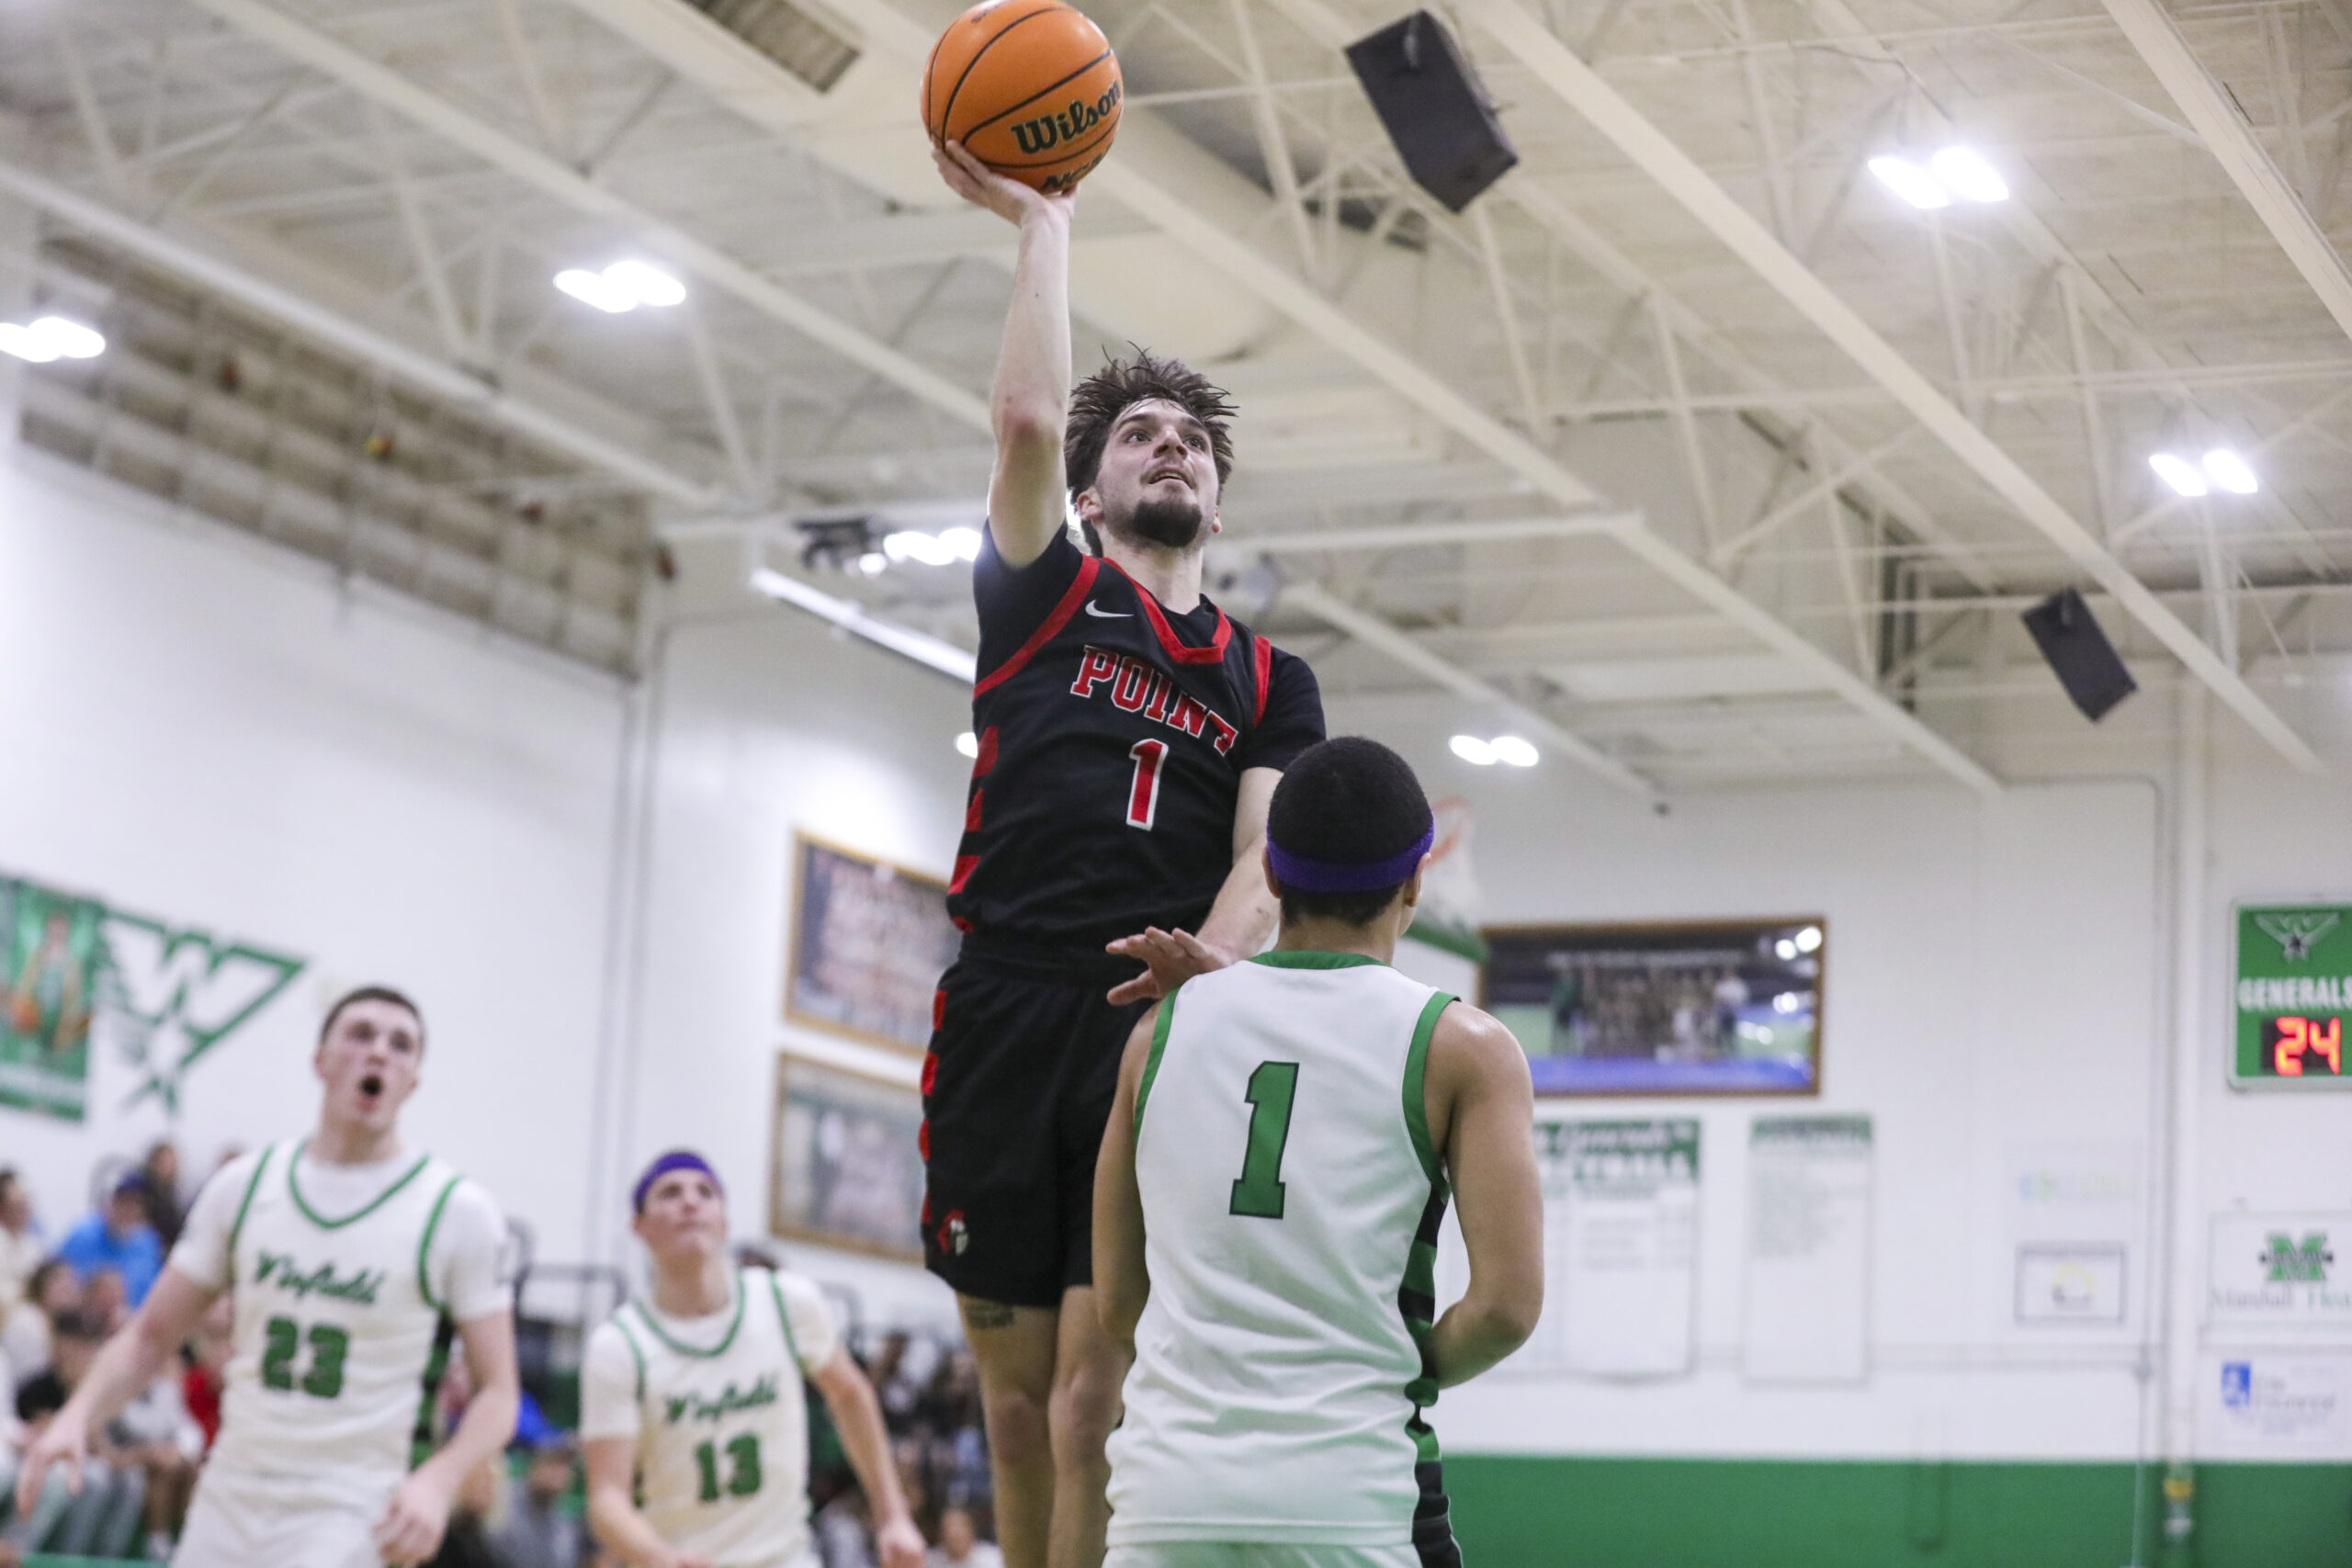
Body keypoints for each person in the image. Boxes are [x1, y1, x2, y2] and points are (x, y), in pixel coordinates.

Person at [924, 139, 1327, 1568]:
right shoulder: (1043, 593)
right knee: (1014, 1409)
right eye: (1141, 433)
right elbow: (1026, 417)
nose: (1172, 445)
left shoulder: (1269, 676)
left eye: (1194, 441)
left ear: (1218, 501)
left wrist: (1206, 968)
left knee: (1095, 1404)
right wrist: (1045, 220)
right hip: (998, 1007)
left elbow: (1269, 854)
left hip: (1146, 1018)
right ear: (1087, 493)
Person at [1093, 738, 1546, 1568]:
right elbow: (1506, 1308)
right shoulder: (1464, 1046)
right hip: (1351, 1501)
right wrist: (1392, 1367)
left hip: (1162, 1501)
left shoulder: (1157, 1033)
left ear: (1270, 873)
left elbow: (1120, 1302)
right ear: (1415, 881)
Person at [14, 985, 521, 1568]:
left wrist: (439, 1479)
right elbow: (150, 1336)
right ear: (320, 1061)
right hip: (231, 1491)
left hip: (358, 1505)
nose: (380, 1052)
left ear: (413, 1082)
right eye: (361, 1034)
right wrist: (76, 1417)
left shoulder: (455, 1211)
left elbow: (499, 1392)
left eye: (401, 1044)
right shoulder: (246, 1187)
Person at [582, 1152, 924, 1568]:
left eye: (705, 1192)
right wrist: (657, 1557)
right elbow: (607, 1497)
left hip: (786, 1558)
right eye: (670, 1193)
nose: (690, 1201)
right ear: (639, 1226)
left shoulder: (786, 1301)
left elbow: (851, 1396)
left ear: (724, 1223)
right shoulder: (619, 1343)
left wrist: (893, 1516)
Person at [53, 1175, 163, 1308]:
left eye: (135, 1203)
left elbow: (153, 1294)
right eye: (122, 1202)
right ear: (109, 1202)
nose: (128, 1210)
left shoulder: (148, 1244)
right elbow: (58, 1283)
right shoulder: (81, 1236)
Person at [495, 1435, 586, 1568]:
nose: (558, 1473)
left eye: (565, 1465)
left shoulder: (565, 1525)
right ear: (534, 1465)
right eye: (552, 1463)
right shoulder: (501, 1500)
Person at [0, 1170, 42, 1318]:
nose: (24, 1210)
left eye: (25, 1204)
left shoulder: (33, 1245)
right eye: (18, 1205)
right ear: (2, 1208)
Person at [930, 1506, 1004, 1568]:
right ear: (941, 1537)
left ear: (972, 1534)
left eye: (959, 1536)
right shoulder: (930, 1561)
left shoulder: (993, 1558)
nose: (954, 1537)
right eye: (950, 1535)